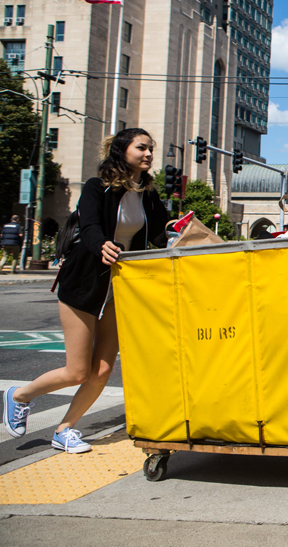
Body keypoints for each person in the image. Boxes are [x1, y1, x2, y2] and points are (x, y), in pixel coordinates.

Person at [2, 128, 168, 453]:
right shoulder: (97, 188)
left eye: (151, 149)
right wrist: (102, 244)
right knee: (78, 370)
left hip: (120, 286)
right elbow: (90, 226)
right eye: (142, 147)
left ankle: (64, 429)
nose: (148, 154)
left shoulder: (148, 195)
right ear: (122, 150)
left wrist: (185, 236)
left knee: (103, 369)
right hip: (85, 281)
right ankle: (20, 395)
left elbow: (161, 234)